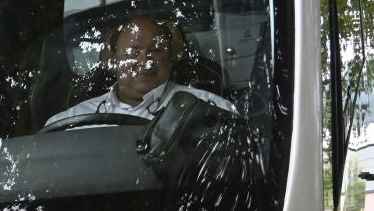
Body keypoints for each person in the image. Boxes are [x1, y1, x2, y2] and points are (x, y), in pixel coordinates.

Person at [42, 14, 233, 129]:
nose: (144, 62)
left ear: (171, 58)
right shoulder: (68, 124)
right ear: (114, 60)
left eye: (155, 50)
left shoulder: (212, 110)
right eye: (132, 53)